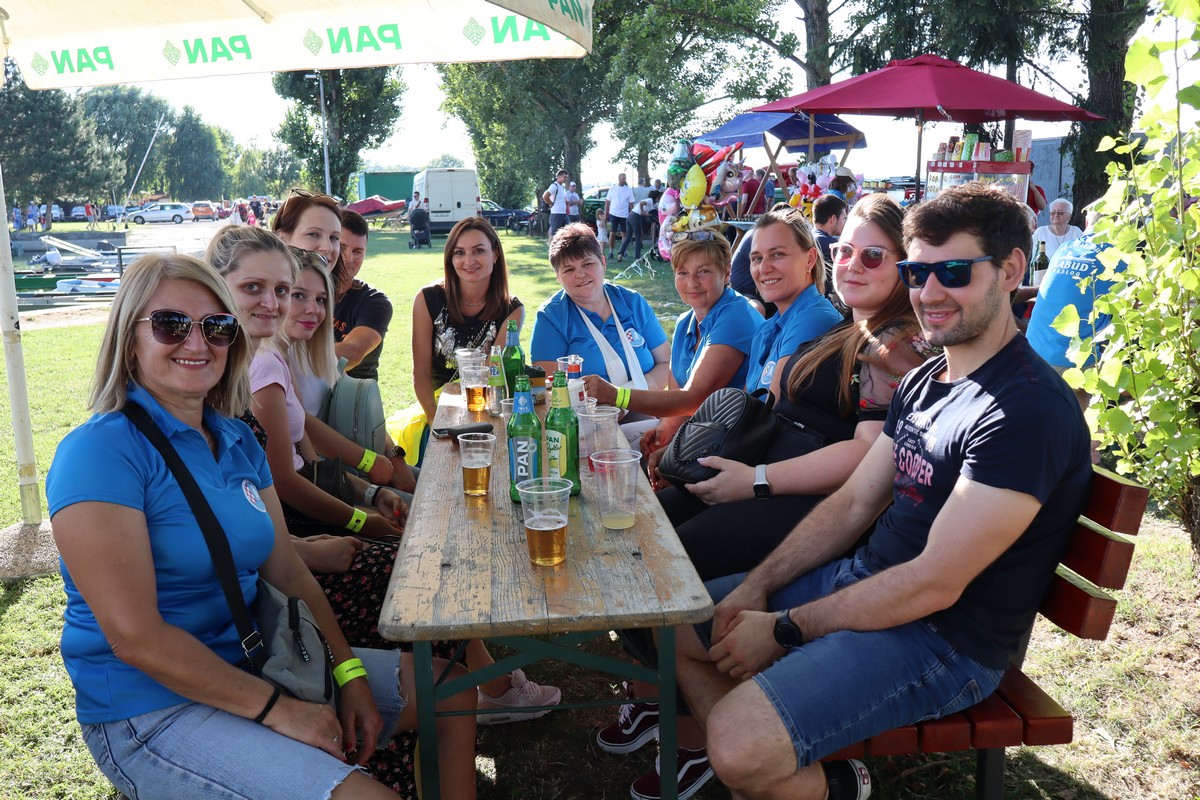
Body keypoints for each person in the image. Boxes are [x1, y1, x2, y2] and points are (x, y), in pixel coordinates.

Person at [674, 182, 1093, 800]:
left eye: (953, 272)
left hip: (943, 639)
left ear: (1010, 271)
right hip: (863, 583)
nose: (929, 292)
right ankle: (774, 772)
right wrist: (759, 584)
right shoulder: (927, 378)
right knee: (683, 629)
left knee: (739, 744)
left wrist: (785, 627)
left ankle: (785, 773)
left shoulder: (1024, 411)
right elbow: (854, 503)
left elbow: (934, 583)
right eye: (917, 272)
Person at [46, 253, 478, 800]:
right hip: (154, 708)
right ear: (129, 339)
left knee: (451, 688)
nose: (198, 342)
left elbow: (288, 571)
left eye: (217, 327)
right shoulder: (100, 452)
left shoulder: (234, 439)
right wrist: (281, 711)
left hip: (261, 660)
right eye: (171, 324)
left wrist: (348, 674)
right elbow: (136, 638)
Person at [602, 196, 932, 799]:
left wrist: (753, 479)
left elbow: (866, 461)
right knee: (638, 538)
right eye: (845, 251)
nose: (851, 263)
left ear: (905, 265)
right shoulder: (854, 328)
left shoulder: (895, 344)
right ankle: (682, 709)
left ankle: (706, 736)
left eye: (873, 256)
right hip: (776, 474)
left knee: (666, 570)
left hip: (812, 502)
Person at [251, 248, 407, 541]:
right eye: (298, 295)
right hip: (290, 526)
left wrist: (373, 494)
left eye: (321, 300)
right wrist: (361, 521)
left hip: (318, 499)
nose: (313, 309)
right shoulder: (265, 366)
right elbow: (284, 482)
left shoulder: (284, 358)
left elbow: (312, 466)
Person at [584, 234, 764, 457]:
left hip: (735, 443)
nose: (692, 282)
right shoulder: (685, 322)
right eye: (683, 273)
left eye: (703, 271)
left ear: (726, 272)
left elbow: (694, 398)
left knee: (612, 454)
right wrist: (666, 429)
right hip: (702, 433)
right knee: (599, 447)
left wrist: (615, 395)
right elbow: (678, 398)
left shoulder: (736, 316)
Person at [411, 216, 526, 423]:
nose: (469, 261)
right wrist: (435, 419)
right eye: (459, 253)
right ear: (450, 258)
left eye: (478, 251)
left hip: (486, 405)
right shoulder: (427, 299)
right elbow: (421, 373)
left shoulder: (513, 310)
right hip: (435, 405)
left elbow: (492, 376)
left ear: (495, 254)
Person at [530, 222, 670, 391]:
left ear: (603, 263)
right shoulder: (551, 317)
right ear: (558, 277)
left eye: (587, 264)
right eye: (569, 270)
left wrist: (626, 397)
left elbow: (666, 362)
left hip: (646, 406)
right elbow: (549, 388)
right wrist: (613, 403)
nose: (580, 274)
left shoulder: (633, 303)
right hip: (586, 408)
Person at [742, 207, 843, 393]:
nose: (763, 268)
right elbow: (746, 401)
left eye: (777, 254)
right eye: (757, 258)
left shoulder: (815, 319)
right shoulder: (766, 329)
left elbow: (771, 406)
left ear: (810, 259)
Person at [332, 210, 392, 381]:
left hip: (351, 393)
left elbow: (353, 352)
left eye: (357, 251)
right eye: (342, 247)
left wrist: (294, 361)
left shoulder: (375, 302)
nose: (348, 258)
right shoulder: (303, 291)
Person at [1031, 197, 1084, 275]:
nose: (1056, 215)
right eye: (1053, 213)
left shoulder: (1076, 232)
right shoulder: (1040, 232)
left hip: (1069, 276)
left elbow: (1081, 258)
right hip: (1044, 276)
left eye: (1060, 213)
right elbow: (1033, 259)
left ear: (1069, 216)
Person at [813, 193, 849, 267]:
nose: (845, 223)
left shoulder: (809, 236)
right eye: (844, 218)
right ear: (833, 219)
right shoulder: (830, 245)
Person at [606, 172, 635, 260]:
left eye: (625, 178)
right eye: (622, 178)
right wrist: (606, 213)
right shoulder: (613, 188)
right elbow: (607, 201)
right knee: (612, 233)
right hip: (613, 213)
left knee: (624, 233)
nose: (624, 180)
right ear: (619, 179)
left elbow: (631, 203)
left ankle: (623, 252)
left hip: (624, 214)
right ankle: (611, 252)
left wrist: (632, 214)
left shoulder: (628, 189)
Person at [543, 169, 571, 241]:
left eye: (566, 177)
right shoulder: (554, 186)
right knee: (554, 234)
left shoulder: (562, 187)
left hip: (563, 213)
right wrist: (551, 203)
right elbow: (545, 196)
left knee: (565, 233)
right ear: (559, 177)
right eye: (564, 177)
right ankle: (551, 247)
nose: (566, 179)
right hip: (556, 213)